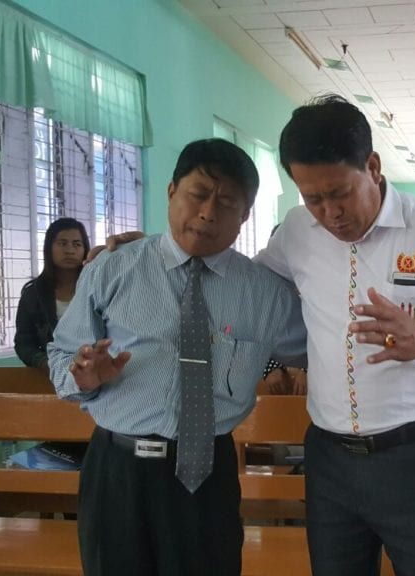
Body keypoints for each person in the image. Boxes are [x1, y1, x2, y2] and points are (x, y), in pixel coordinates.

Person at [256, 95, 415, 576]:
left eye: (339, 193)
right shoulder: (296, 231)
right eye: (312, 198)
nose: (329, 213)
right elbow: (250, 288)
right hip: (329, 459)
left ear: (372, 166)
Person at [48, 139, 306, 576]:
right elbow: (61, 354)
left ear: (244, 216)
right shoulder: (112, 268)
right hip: (118, 473)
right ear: (171, 192)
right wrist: (85, 377)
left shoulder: (266, 294)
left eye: (226, 202)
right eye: (198, 193)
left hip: (206, 476)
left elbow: (322, 348)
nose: (208, 212)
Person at [14, 218, 90, 371]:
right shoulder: (33, 294)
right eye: (62, 243)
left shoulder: (98, 287)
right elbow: (24, 343)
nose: (70, 250)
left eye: (77, 244)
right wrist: (47, 364)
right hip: (51, 375)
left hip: (96, 372)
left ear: (85, 249)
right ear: (49, 248)